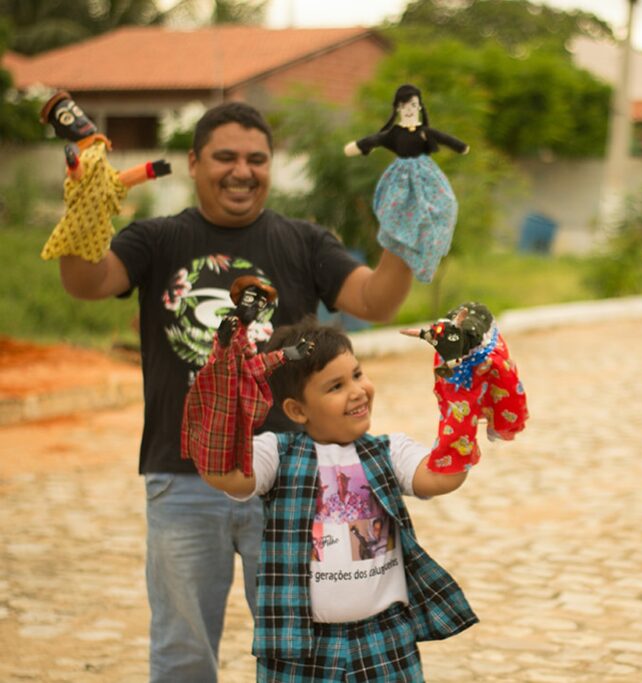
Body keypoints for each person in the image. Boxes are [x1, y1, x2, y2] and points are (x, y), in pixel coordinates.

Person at [56, 101, 415, 683]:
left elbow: (377, 301)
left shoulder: (303, 242)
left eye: (256, 159)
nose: (241, 171)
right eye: (225, 157)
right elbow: (85, 282)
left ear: (271, 166)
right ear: (194, 162)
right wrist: (84, 209)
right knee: (182, 650)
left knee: (303, 646)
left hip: (291, 481)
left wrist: (408, 224)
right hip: (181, 477)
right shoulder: (156, 239)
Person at [194, 318, 477, 681]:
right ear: (297, 410)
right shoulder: (276, 454)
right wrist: (222, 390)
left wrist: (459, 381)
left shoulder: (389, 451)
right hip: (299, 645)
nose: (357, 391)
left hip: (385, 637)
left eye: (358, 374)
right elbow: (224, 473)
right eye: (336, 386)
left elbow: (444, 475)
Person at [344, 84, 469, 283]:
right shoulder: (393, 134)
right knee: (398, 208)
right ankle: (403, 246)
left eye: (412, 104)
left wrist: (460, 147)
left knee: (446, 204)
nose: (409, 108)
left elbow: (444, 138)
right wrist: (359, 146)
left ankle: (426, 248)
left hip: (427, 175)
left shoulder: (424, 132)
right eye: (404, 105)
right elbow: (376, 139)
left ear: (419, 106)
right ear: (398, 108)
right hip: (400, 178)